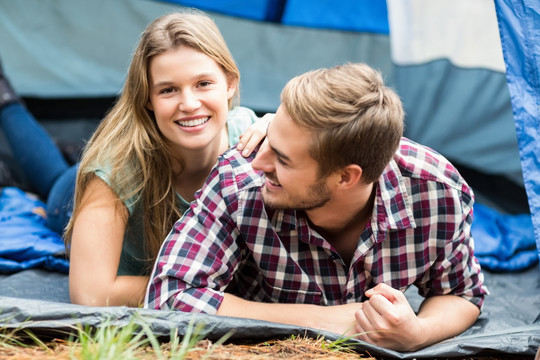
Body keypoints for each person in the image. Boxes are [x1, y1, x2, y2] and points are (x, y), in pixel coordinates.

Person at [145, 62, 489, 351]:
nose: (258, 162)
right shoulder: (238, 181)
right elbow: (170, 298)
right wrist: (333, 321)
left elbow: (462, 293)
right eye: (269, 138)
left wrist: (418, 333)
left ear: (346, 177)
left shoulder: (435, 192)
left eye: (282, 158)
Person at [0, 10, 268, 307]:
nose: (190, 104)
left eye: (203, 83)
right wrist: (197, 291)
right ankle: (6, 101)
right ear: (147, 99)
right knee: (54, 181)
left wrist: (286, 129)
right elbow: (90, 294)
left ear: (229, 83)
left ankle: (69, 149)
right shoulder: (115, 170)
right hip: (71, 195)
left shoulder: (252, 138)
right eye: (168, 90)